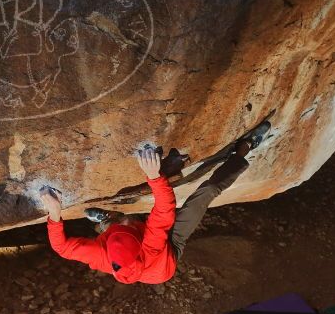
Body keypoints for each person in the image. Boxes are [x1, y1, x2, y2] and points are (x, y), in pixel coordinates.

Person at [38, 122, 270, 285]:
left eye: (121, 226)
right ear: (139, 240)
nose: (128, 220)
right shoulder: (153, 245)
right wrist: (154, 177)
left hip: (137, 247)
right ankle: (244, 150)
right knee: (207, 192)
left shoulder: (100, 256)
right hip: (167, 253)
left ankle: (106, 220)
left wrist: (55, 214)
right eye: (126, 226)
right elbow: (165, 208)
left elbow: (62, 248)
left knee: (119, 222)